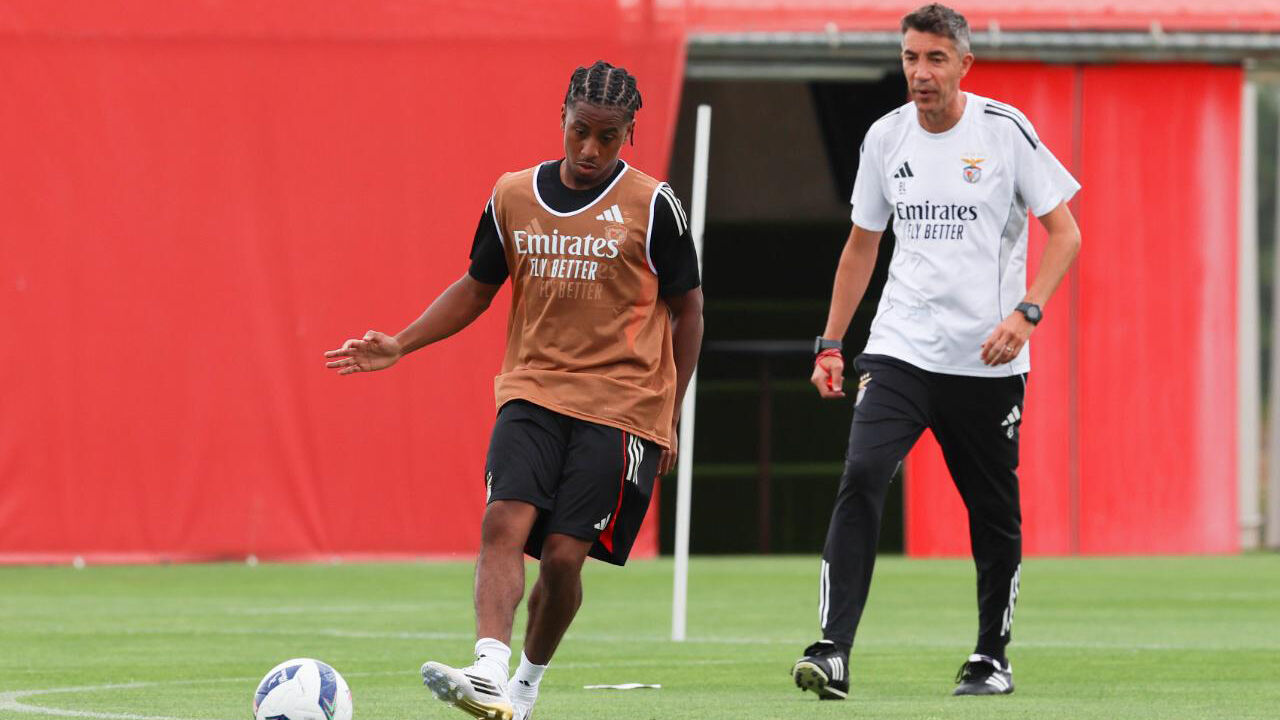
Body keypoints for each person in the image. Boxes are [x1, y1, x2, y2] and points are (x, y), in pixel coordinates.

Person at [324, 60, 703, 720]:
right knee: (503, 520)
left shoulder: (653, 205)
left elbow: (689, 308)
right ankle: (488, 668)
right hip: (531, 390)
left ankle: (524, 685)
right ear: (561, 118)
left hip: (622, 405)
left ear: (628, 135)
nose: (589, 149)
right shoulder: (512, 196)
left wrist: (670, 413)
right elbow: (477, 286)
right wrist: (401, 343)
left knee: (562, 560)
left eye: (607, 137)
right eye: (580, 131)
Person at [791, 3, 1082, 700]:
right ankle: (832, 650)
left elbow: (1065, 233)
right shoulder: (885, 138)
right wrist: (832, 342)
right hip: (900, 349)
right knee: (862, 472)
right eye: (910, 59)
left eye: (935, 59)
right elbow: (862, 246)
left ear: (963, 64)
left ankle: (990, 656)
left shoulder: (1005, 131)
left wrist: (1026, 312)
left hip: (987, 360)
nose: (921, 74)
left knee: (991, 509)